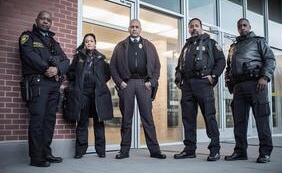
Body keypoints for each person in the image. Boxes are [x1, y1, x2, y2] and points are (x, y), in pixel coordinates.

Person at [19, 11, 69, 167]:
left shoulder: (54, 42)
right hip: (38, 83)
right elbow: (28, 55)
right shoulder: (28, 37)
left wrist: (57, 70)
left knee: (49, 120)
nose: (46, 22)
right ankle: (36, 157)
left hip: (53, 85)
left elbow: (66, 61)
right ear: (37, 20)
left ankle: (46, 153)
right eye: (43, 19)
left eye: (48, 20)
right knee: (38, 119)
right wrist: (47, 68)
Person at [110, 19, 166, 159]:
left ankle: (155, 151)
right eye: (132, 26)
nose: (134, 29)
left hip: (143, 84)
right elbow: (113, 66)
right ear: (128, 29)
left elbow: (157, 66)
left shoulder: (149, 45)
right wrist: (120, 82)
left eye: (137, 27)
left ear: (140, 29)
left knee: (147, 118)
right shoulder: (120, 46)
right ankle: (124, 151)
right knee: (126, 118)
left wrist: (151, 82)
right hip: (127, 85)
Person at [224, 18, 276, 163]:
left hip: (256, 84)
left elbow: (270, 59)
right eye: (239, 26)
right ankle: (240, 151)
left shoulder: (259, 41)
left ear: (250, 26)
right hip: (238, 87)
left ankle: (265, 152)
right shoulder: (233, 47)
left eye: (245, 25)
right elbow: (228, 68)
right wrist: (229, 83)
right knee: (239, 121)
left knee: (262, 119)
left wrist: (265, 77)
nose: (242, 27)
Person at [174, 18, 225, 161]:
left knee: (209, 116)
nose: (193, 28)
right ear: (188, 29)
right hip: (187, 85)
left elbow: (221, 60)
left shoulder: (211, 43)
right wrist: (179, 79)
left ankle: (215, 150)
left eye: (196, 26)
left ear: (201, 28)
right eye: (191, 26)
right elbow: (179, 65)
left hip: (203, 83)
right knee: (188, 119)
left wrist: (213, 76)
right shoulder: (186, 46)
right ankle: (190, 149)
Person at [66, 33, 113, 159]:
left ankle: (101, 150)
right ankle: (80, 151)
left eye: (91, 41)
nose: (89, 43)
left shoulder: (101, 58)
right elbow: (70, 72)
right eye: (87, 41)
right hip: (83, 93)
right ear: (84, 43)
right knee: (82, 121)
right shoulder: (78, 57)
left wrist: (100, 82)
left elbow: (107, 74)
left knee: (99, 122)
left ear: (95, 43)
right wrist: (76, 82)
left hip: (97, 94)